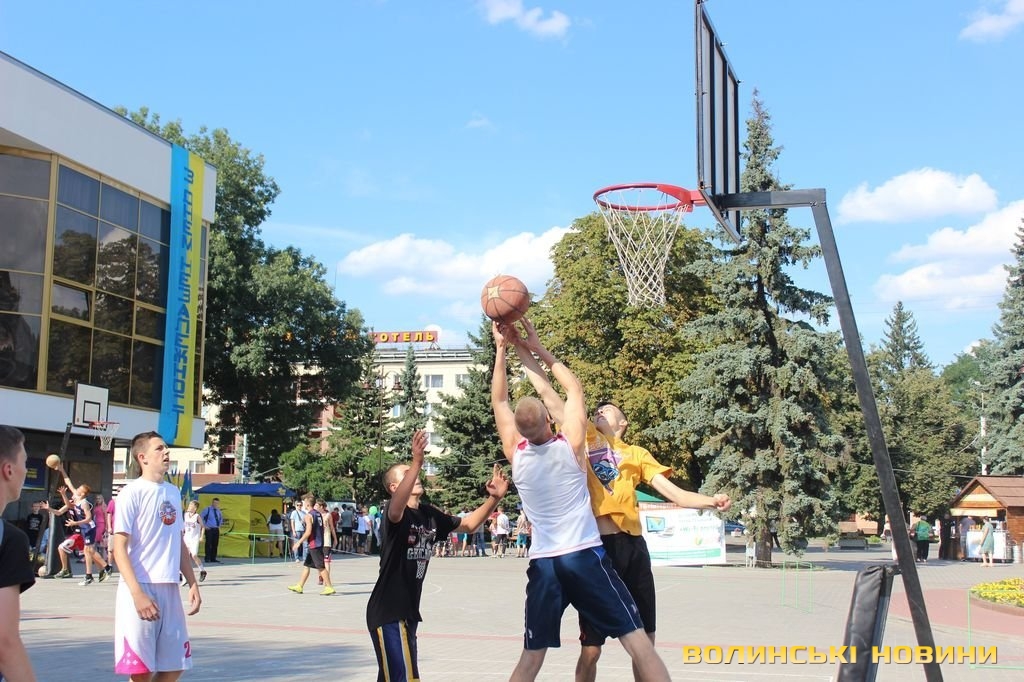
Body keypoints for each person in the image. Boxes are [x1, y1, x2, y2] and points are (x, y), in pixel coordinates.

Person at [509, 317, 731, 682]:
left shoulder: (638, 454)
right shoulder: (585, 439)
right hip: (597, 547)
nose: (600, 411)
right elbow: (547, 391)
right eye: (596, 409)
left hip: (633, 548)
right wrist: (524, 347)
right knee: (591, 649)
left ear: (623, 422)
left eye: (608, 409)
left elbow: (674, 494)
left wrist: (711, 500)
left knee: (645, 640)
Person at [491, 320, 671, 682]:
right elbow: (572, 388)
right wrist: (536, 346)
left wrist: (501, 350)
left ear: (519, 431)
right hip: (584, 556)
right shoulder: (571, 444)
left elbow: (499, 400)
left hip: (544, 563)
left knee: (531, 658)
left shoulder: (516, 454)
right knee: (639, 644)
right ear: (549, 420)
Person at [366, 430, 508, 682]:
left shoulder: (429, 514)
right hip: (388, 611)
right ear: (394, 488)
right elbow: (397, 509)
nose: (415, 476)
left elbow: (469, 525)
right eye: (407, 474)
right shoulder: (393, 512)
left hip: (408, 612)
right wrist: (417, 462)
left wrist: (494, 499)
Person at [113, 431, 201, 679]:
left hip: (169, 587)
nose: (166, 452)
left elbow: (179, 543)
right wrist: (137, 594)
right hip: (140, 586)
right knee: (141, 670)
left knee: (175, 665)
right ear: (142, 457)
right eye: (159, 449)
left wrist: (192, 582)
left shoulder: (172, 492)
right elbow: (119, 548)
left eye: (166, 448)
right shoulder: (131, 492)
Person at [0, 426, 37, 681]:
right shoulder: (9, 538)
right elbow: (5, 640)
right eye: (24, 462)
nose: (25, 470)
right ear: (9, 470)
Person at [45, 473, 112, 585]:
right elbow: (68, 484)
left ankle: (106, 568)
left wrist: (75, 522)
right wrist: (61, 470)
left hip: (89, 528)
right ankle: (90, 575)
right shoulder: (75, 501)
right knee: (87, 552)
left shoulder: (84, 503)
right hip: (83, 529)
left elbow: (89, 518)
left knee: (90, 551)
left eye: (78, 489)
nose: (75, 490)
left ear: (82, 494)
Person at [286, 494, 335, 596]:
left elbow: (308, 532)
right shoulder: (318, 514)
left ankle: (329, 587)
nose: (303, 504)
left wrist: (298, 542)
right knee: (307, 565)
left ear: (307, 504)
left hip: (314, 544)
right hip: (318, 542)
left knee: (321, 567)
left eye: (304, 502)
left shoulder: (309, 516)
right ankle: (300, 586)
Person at [181, 500, 207, 583]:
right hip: (186, 538)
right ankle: (184, 577)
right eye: (189, 505)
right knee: (185, 557)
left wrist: (201, 536)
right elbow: (184, 526)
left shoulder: (197, 516)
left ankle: (202, 571)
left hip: (194, 539)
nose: (189, 506)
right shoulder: (186, 515)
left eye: (191, 505)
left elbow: (203, 527)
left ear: (195, 508)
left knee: (194, 555)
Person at [200, 498, 223, 563]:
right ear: (212, 503)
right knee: (208, 544)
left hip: (216, 529)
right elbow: (200, 517)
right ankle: (207, 558)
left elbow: (221, 518)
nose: (215, 504)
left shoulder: (219, 511)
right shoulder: (207, 509)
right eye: (214, 503)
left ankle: (213, 558)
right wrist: (204, 526)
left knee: (215, 544)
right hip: (209, 529)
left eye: (217, 503)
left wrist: (219, 525)